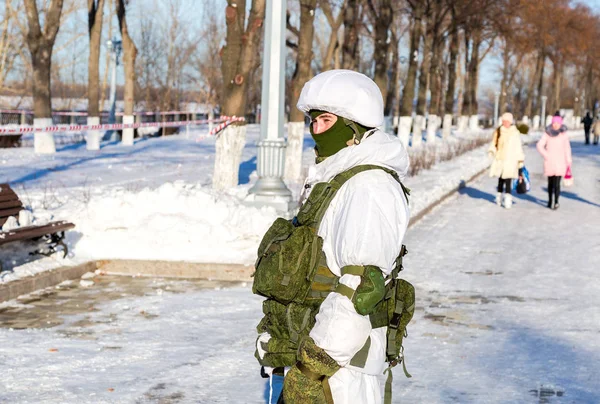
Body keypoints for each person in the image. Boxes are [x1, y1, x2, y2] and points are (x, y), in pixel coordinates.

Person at [252, 70, 413, 404]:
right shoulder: (336, 179)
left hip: (339, 373)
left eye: (326, 120)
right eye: (313, 120)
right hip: (305, 361)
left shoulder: (370, 187)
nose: (316, 130)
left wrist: (312, 367)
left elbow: (360, 288)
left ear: (355, 128)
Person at [488, 112, 525, 209]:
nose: (505, 123)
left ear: (510, 122)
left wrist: (520, 159)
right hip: (500, 159)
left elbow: (518, 147)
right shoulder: (499, 131)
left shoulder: (515, 133)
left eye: (507, 121)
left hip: (511, 160)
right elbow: (494, 143)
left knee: (508, 179)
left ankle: (508, 199)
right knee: (501, 179)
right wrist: (492, 151)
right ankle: (499, 196)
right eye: (503, 121)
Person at [536, 115, 572, 209]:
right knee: (550, 183)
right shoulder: (547, 134)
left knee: (557, 183)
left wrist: (568, 160)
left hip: (561, 162)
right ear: (552, 123)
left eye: (558, 123)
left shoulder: (564, 135)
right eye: (554, 123)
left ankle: (556, 201)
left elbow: (567, 148)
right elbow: (539, 145)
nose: (556, 125)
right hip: (550, 162)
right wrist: (546, 154)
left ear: (560, 124)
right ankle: (550, 200)